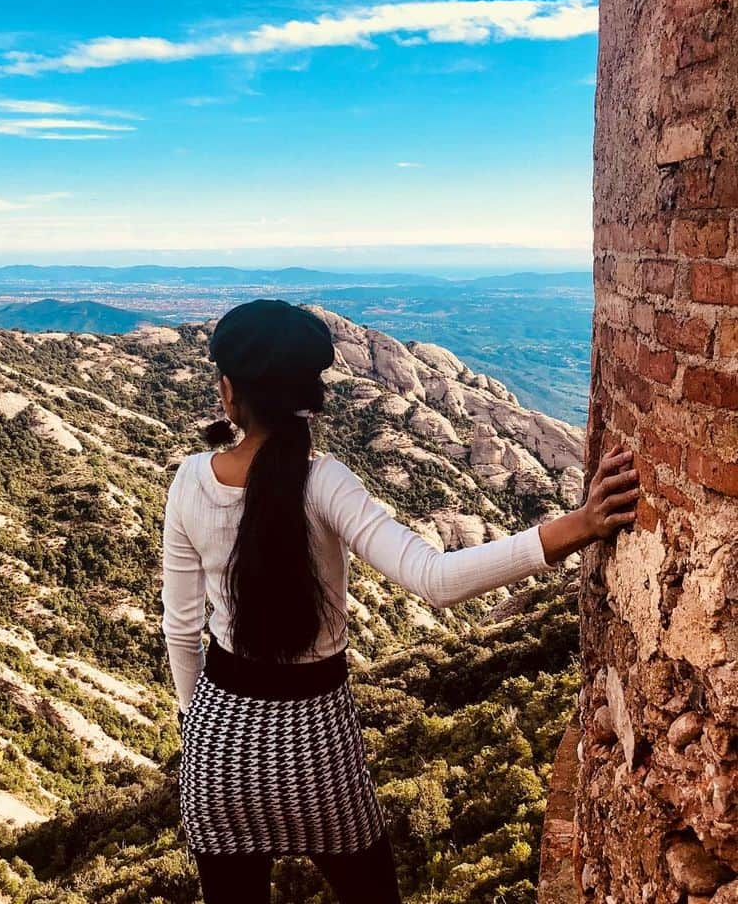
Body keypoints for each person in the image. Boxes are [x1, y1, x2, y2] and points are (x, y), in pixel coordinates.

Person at [160, 299, 639, 904]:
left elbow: (180, 631)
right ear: (310, 395)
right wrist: (579, 525)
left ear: (229, 394)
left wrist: (197, 725)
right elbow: (435, 580)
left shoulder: (188, 482)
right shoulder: (325, 481)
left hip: (218, 746)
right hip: (315, 746)